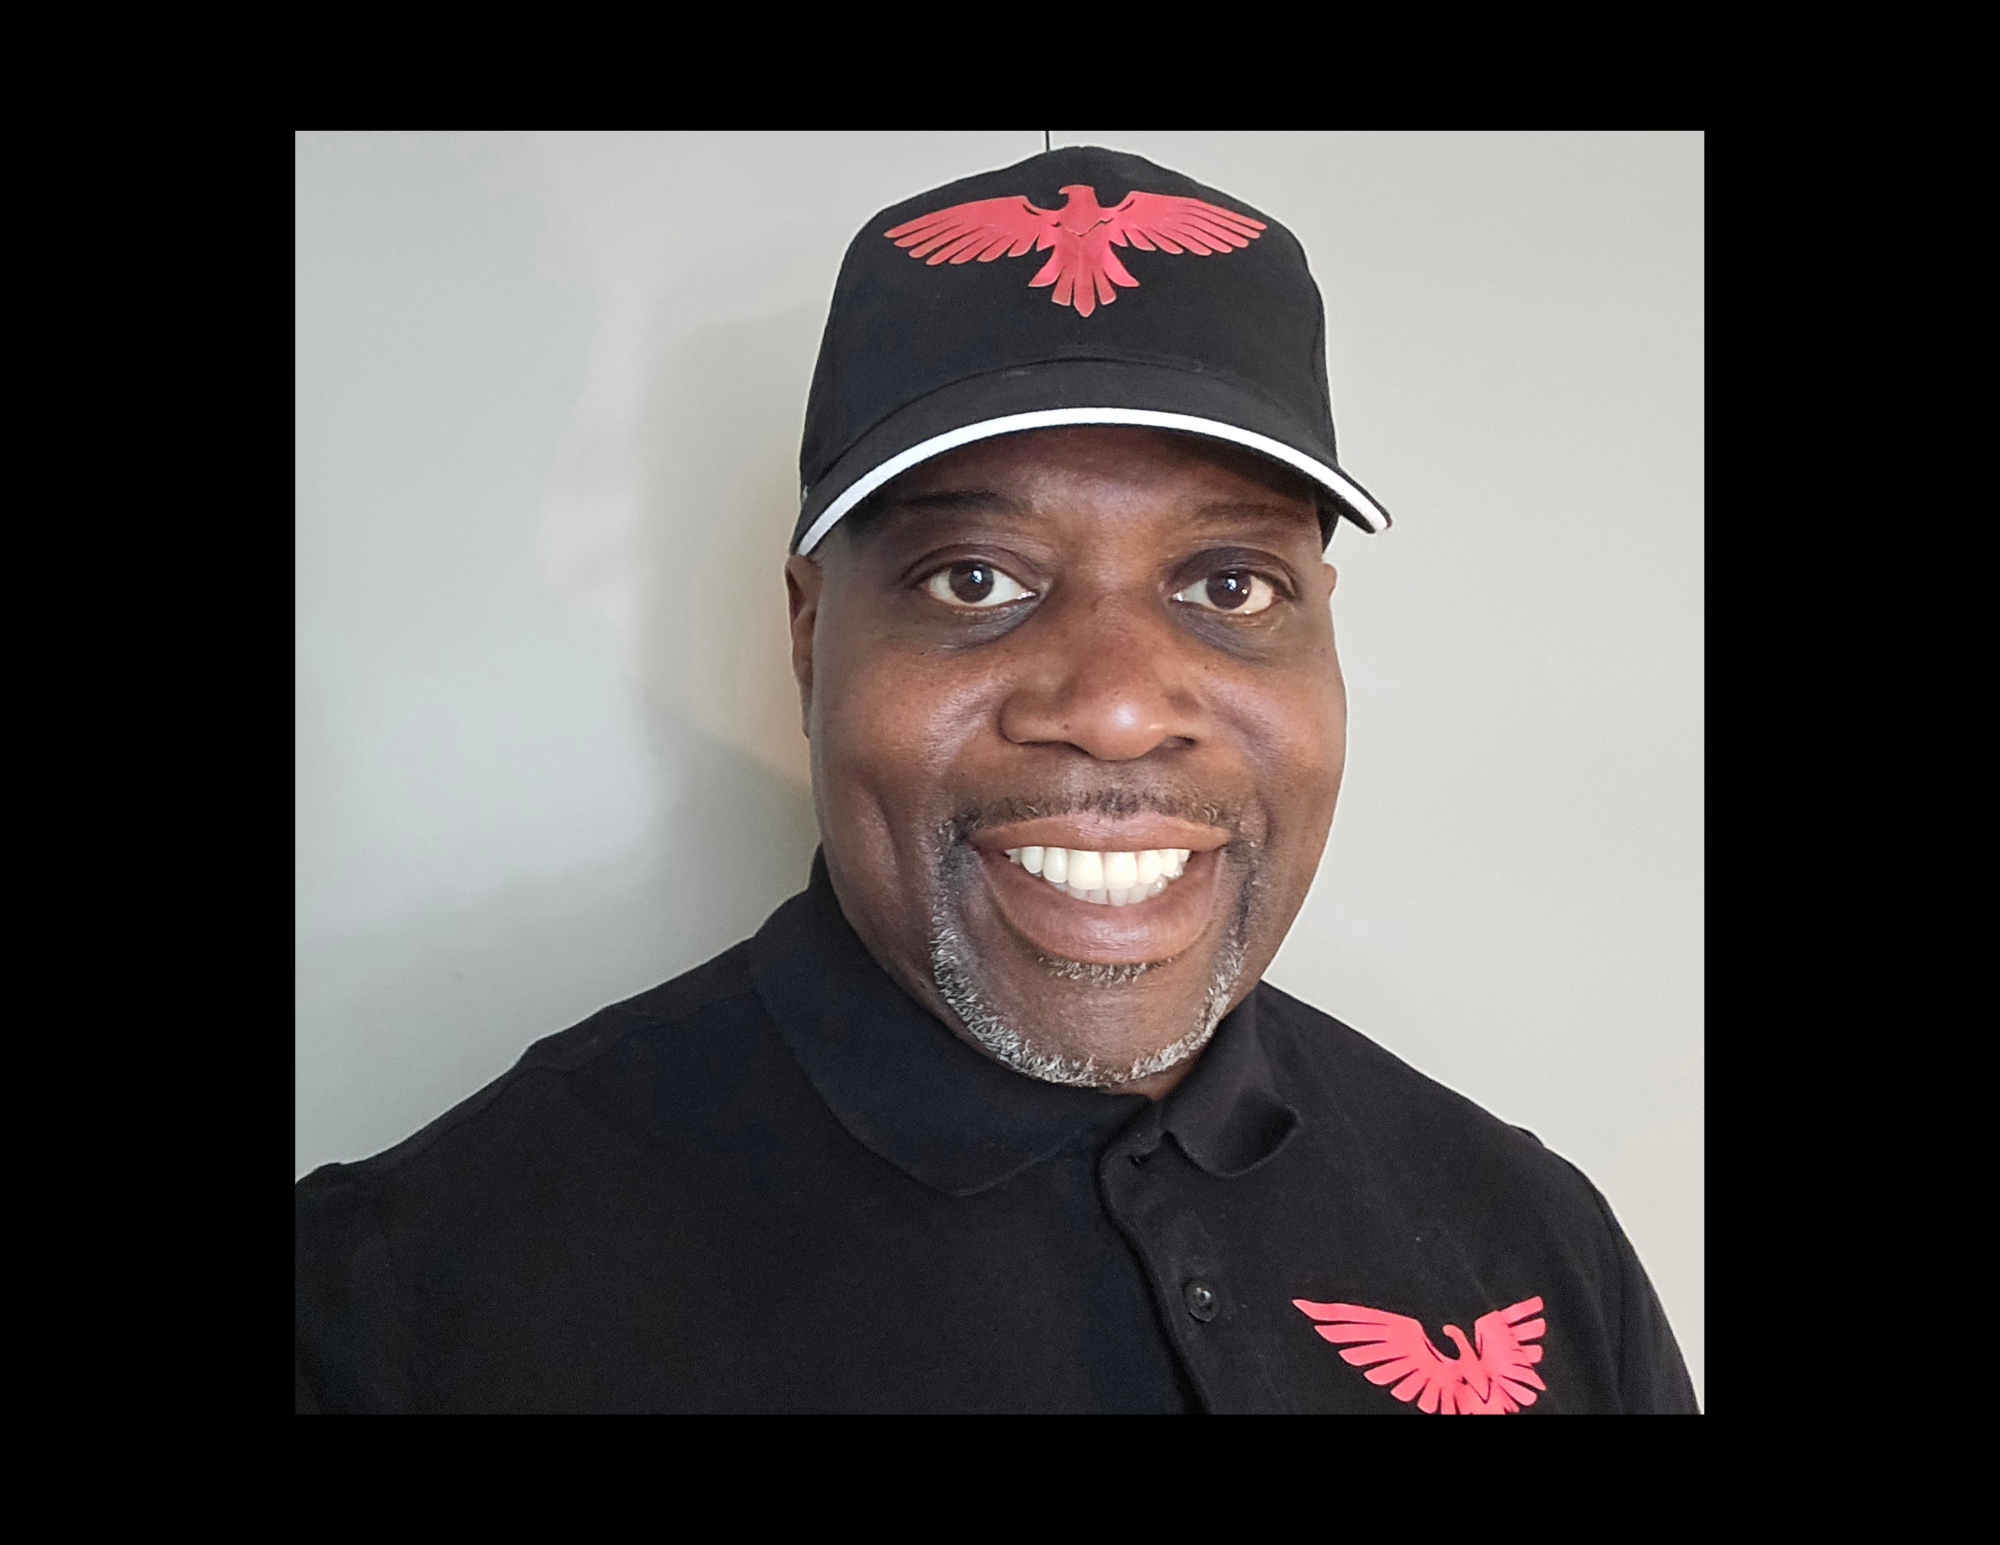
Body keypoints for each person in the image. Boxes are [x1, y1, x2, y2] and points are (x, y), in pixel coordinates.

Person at [295, 145, 1698, 1414]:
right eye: (976, 578)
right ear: (807, 633)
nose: (1118, 706)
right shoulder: (405, 1310)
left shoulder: (1536, 1242)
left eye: (1229, 581)